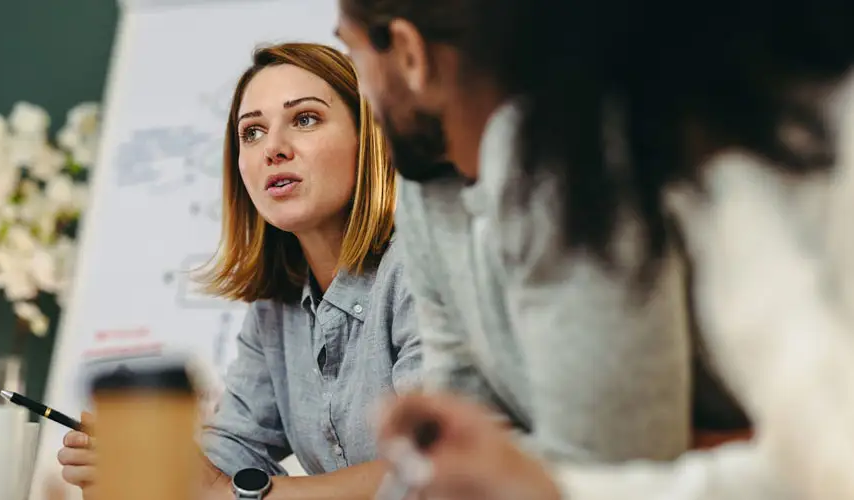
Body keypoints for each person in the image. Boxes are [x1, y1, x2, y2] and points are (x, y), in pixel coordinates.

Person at [345, 1, 854, 499]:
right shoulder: (728, 178)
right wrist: (545, 485)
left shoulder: (607, 152)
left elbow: (629, 451)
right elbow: (809, 465)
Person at [336, 0, 714, 467]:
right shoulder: (424, 187)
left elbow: (617, 463)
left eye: (352, 54)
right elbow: (459, 422)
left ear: (411, 54)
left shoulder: (572, 163)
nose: (364, 94)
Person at [56, 42, 422, 499]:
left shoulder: (422, 270)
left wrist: (239, 494)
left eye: (305, 119)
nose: (274, 149)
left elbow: (436, 470)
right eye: (252, 133)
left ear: (368, 139)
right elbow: (232, 451)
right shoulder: (277, 304)